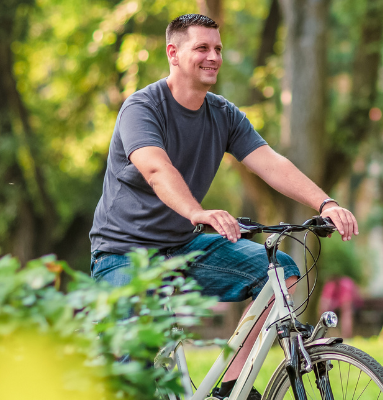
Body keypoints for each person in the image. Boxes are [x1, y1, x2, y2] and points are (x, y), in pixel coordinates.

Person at [88, 14, 359, 400]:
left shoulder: (224, 114)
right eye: (201, 47)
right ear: (174, 53)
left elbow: (271, 162)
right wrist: (196, 212)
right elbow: (155, 168)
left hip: (182, 248)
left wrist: (325, 202)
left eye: (217, 48)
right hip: (123, 254)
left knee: (280, 273)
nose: (213, 56)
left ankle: (231, 387)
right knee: (134, 374)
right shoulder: (142, 108)